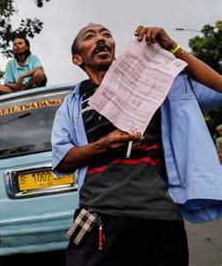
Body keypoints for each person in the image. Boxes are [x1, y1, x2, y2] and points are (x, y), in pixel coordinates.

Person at [51, 23, 222, 266]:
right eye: (90, 37)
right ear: (77, 58)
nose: (101, 39)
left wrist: (174, 49)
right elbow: (62, 159)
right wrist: (105, 145)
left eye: (106, 35)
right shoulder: (72, 104)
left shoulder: (155, 86)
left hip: (160, 215)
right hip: (97, 214)